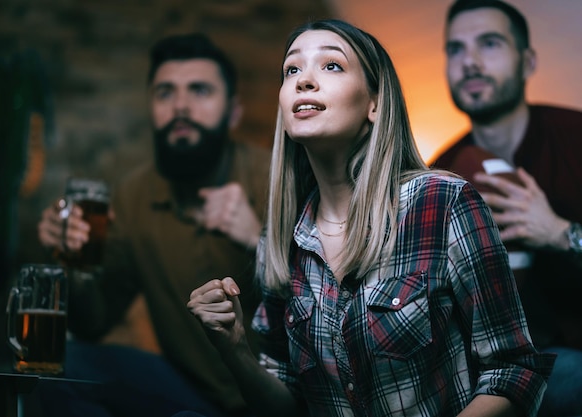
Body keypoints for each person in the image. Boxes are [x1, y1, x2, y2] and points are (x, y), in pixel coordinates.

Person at [187, 18, 555, 417]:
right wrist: (235, 348)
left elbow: (514, 369)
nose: (304, 80)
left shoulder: (443, 202)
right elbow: (287, 406)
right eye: (292, 69)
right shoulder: (280, 238)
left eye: (331, 66)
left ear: (375, 104)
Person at [36, 33, 270, 417]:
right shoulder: (134, 196)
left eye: (199, 90)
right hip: (193, 392)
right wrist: (73, 263)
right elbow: (93, 324)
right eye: (165, 93)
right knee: (64, 366)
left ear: (233, 113)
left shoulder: (275, 177)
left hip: (277, 400)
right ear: (151, 108)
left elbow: (336, 304)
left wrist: (258, 240)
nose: (180, 105)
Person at [432, 1, 582, 415]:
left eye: (490, 43)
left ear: (528, 61)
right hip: (488, 377)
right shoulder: (439, 175)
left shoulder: (575, 138)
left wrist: (559, 233)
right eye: (456, 49)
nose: (470, 62)